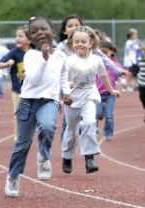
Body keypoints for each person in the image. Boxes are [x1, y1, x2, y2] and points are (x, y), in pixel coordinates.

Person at [4, 17, 66, 198]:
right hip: (28, 102)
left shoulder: (61, 55)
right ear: (30, 38)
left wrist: (67, 92)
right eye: (35, 31)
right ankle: (13, 176)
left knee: (47, 126)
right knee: (22, 144)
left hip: (49, 100)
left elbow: (63, 76)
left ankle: (43, 156)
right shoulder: (30, 55)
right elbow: (34, 79)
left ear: (53, 32)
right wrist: (45, 59)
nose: (40, 33)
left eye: (43, 29)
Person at [57, 14, 130, 142]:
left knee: (88, 119)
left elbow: (104, 60)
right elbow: (56, 68)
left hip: (86, 90)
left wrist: (118, 71)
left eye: (77, 25)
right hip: (69, 90)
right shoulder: (61, 47)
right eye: (70, 26)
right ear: (64, 31)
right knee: (68, 123)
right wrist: (58, 95)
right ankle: (66, 148)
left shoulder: (89, 45)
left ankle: (88, 149)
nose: (74, 27)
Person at [60, 26, 120, 175]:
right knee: (72, 131)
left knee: (89, 123)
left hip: (89, 96)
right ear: (71, 44)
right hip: (72, 99)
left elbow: (103, 76)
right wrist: (67, 88)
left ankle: (89, 157)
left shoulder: (96, 60)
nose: (79, 44)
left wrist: (111, 90)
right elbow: (61, 79)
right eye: (76, 42)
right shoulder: (68, 61)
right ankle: (67, 157)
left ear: (90, 43)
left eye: (83, 41)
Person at [0, 25, 30, 141]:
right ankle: (18, 136)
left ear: (29, 39)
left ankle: (27, 132)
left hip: (33, 91)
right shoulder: (14, 53)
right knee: (18, 114)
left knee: (31, 115)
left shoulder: (34, 52)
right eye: (16, 36)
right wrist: (7, 64)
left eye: (21, 36)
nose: (17, 38)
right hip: (18, 90)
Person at [96, 41, 121, 140]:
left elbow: (119, 72)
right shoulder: (96, 63)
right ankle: (97, 123)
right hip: (97, 93)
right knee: (98, 113)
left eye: (106, 52)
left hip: (111, 93)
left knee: (109, 115)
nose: (104, 55)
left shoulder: (114, 64)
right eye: (102, 52)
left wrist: (122, 79)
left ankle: (108, 133)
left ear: (111, 52)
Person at [123, 28, 142, 92]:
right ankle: (128, 86)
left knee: (136, 74)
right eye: (135, 34)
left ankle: (135, 86)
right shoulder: (129, 42)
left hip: (136, 61)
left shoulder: (137, 41)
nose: (136, 36)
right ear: (131, 35)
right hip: (130, 61)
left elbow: (140, 49)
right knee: (129, 74)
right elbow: (129, 51)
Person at [137, 47, 145, 122]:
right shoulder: (139, 59)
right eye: (143, 50)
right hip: (141, 82)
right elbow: (137, 69)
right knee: (142, 98)